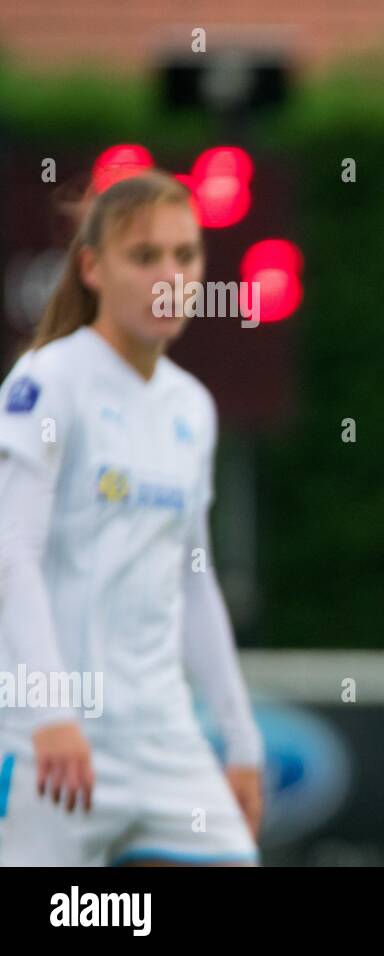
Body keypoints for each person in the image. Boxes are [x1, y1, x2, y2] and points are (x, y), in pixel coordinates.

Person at [0, 169, 263, 866]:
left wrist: (240, 740)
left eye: (185, 255)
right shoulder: (48, 382)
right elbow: (11, 555)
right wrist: (51, 713)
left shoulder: (192, 407)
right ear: (92, 267)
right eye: (145, 257)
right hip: (50, 745)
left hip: (165, 742)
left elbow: (195, 582)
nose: (170, 275)